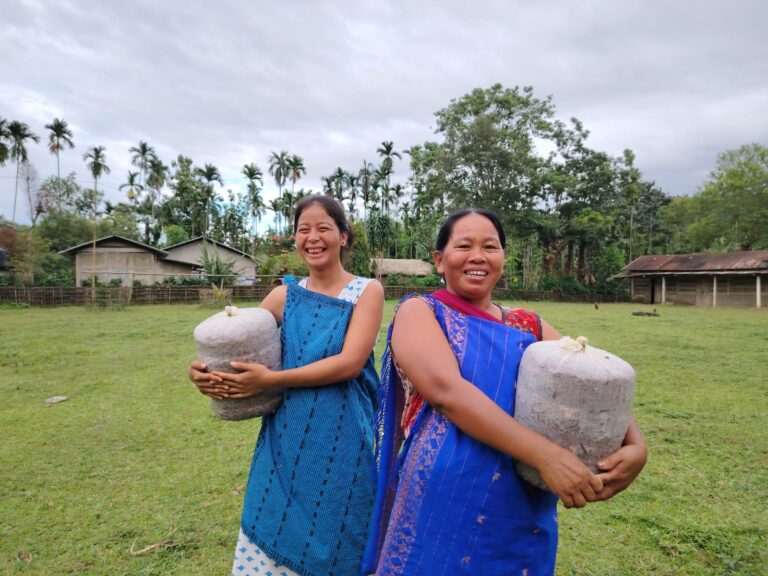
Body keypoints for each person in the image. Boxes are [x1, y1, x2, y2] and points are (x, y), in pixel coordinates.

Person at [362, 209, 647, 576]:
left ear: (502, 258)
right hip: (444, 497)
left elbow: (587, 382)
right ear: (439, 260)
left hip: (522, 502)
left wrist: (635, 446)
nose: (478, 256)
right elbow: (447, 392)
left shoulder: (529, 324)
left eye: (490, 246)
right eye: (464, 245)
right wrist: (547, 456)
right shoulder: (421, 311)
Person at [189, 195, 384, 576]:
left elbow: (349, 363)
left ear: (343, 236)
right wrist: (202, 373)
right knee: (274, 531)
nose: (313, 237)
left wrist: (272, 380)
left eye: (323, 228)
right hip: (284, 443)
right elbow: (240, 349)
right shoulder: (282, 296)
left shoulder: (366, 291)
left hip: (344, 441)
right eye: (303, 229)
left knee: (343, 533)